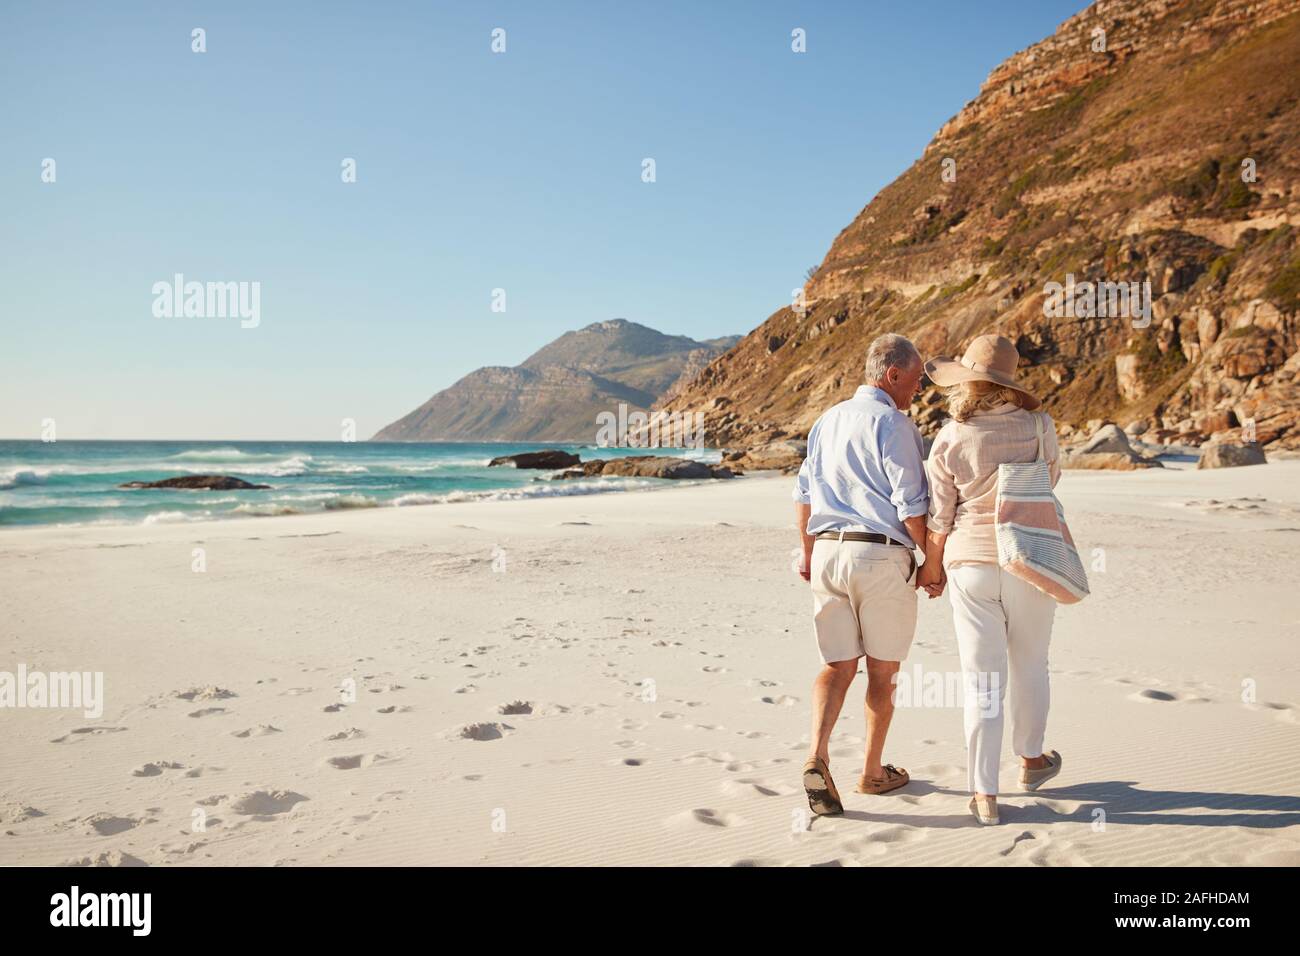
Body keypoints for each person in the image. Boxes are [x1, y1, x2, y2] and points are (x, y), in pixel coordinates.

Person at [918, 334, 1064, 826]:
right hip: (1031, 557)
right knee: (1032, 664)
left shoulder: (950, 436)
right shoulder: (1041, 425)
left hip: (971, 563)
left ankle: (985, 795)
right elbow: (1051, 481)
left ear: (967, 380)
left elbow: (939, 516)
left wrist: (932, 566)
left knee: (982, 680)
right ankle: (1031, 760)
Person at [793, 333, 941, 817]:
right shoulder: (894, 424)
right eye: (916, 380)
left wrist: (806, 553)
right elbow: (911, 504)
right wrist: (930, 564)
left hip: (829, 553)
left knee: (837, 665)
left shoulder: (827, 420)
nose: (918, 390)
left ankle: (817, 754)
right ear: (892, 374)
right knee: (882, 669)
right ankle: (873, 773)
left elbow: (805, 495)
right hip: (879, 555)